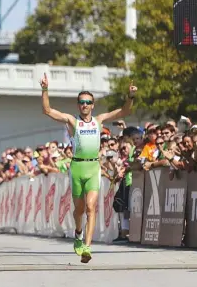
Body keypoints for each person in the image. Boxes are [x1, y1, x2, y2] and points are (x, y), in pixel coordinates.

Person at [39, 73, 137, 263]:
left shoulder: (99, 120)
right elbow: (48, 110)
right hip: (76, 168)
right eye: (82, 102)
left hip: (93, 166)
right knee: (79, 210)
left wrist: (131, 96)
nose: (85, 105)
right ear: (78, 105)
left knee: (91, 207)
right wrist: (44, 90)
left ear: (93, 105)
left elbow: (123, 112)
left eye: (88, 102)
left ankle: (87, 247)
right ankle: (77, 233)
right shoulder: (72, 121)